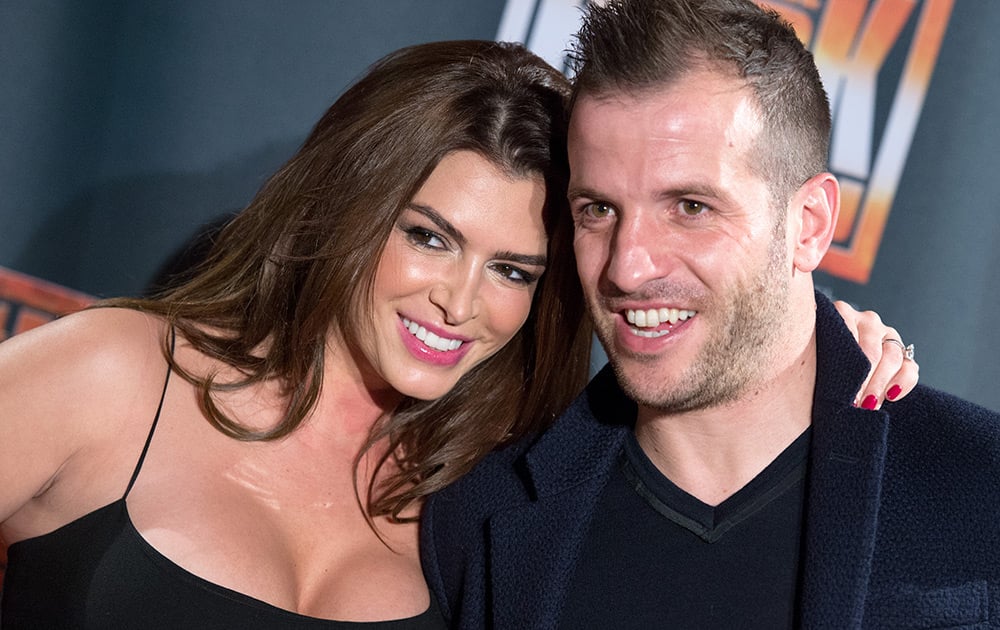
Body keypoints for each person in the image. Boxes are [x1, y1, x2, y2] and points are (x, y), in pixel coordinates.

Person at [0, 37, 913, 629]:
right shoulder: (119, 378)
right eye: (430, 237)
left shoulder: (485, 493)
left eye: (513, 271)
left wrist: (821, 349)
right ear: (347, 203)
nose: (460, 302)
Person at [419, 2, 999, 629]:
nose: (627, 268)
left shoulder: (983, 487)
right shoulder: (474, 520)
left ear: (808, 225)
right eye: (599, 210)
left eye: (690, 206)